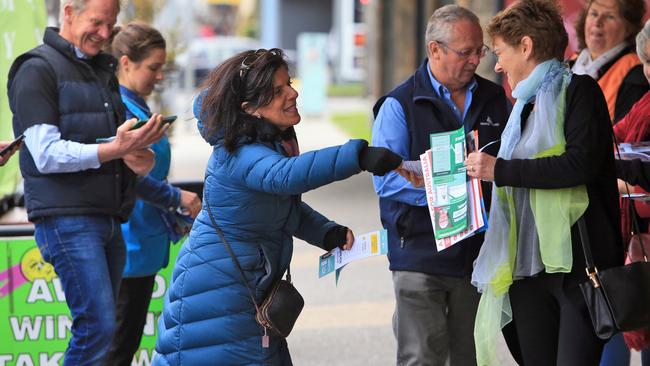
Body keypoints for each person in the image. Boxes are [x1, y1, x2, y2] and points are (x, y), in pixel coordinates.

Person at [152, 48, 402, 365]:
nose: (293, 93)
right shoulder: (238, 152)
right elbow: (284, 178)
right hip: (218, 298)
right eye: (278, 91)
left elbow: (281, 206)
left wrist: (326, 233)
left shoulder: (263, 140)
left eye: (289, 84)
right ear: (250, 109)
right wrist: (359, 157)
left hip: (241, 293)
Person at [6, 0, 168, 364]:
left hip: (108, 216)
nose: (106, 34)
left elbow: (121, 149)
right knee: (97, 328)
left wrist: (140, 153)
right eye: (97, 22)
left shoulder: (100, 70)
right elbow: (47, 154)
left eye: (111, 24)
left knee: (102, 331)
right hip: (68, 218)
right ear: (68, 12)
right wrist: (115, 149)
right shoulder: (36, 69)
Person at [465, 0, 623, 364]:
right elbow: (512, 179)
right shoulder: (522, 104)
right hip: (526, 270)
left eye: (502, 52)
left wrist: (498, 169)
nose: (498, 64)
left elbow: (576, 165)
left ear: (526, 46)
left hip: (579, 270)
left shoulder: (581, 92)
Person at [371, 5, 510, 365]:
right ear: (435, 50)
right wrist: (448, 189)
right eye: (466, 52)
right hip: (419, 257)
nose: (476, 60)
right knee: (423, 358)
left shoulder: (495, 100)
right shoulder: (398, 105)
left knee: (470, 358)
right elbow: (386, 181)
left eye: (480, 51)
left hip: (478, 259)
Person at [101, 22, 202, 366]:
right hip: (128, 246)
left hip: (143, 242)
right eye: (153, 68)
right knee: (116, 349)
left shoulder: (137, 106)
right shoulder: (119, 111)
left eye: (162, 68)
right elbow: (125, 176)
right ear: (126, 62)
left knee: (122, 345)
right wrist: (175, 199)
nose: (159, 77)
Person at [606, 19, 650, 366]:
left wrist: (618, 180)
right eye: (647, 60)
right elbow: (614, 137)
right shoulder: (644, 103)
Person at [571, 0, 648, 124]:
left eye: (609, 16)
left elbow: (625, 139)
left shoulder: (637, 76)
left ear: (629, 28)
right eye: (594, 14)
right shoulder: (570, 63)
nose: (597, 22)